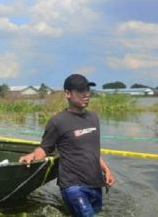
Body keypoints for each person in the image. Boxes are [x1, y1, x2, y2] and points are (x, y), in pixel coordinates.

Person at [19, 74, 116, 217]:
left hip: (95, 182)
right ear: (67, 94)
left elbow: (93, 151)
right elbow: (45, 148)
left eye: (88, 90)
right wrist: (33, 155)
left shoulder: (93, 118)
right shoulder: (57, 122)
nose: (86, 94)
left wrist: (107, 171)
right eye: (81, 91)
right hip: (72, 185)